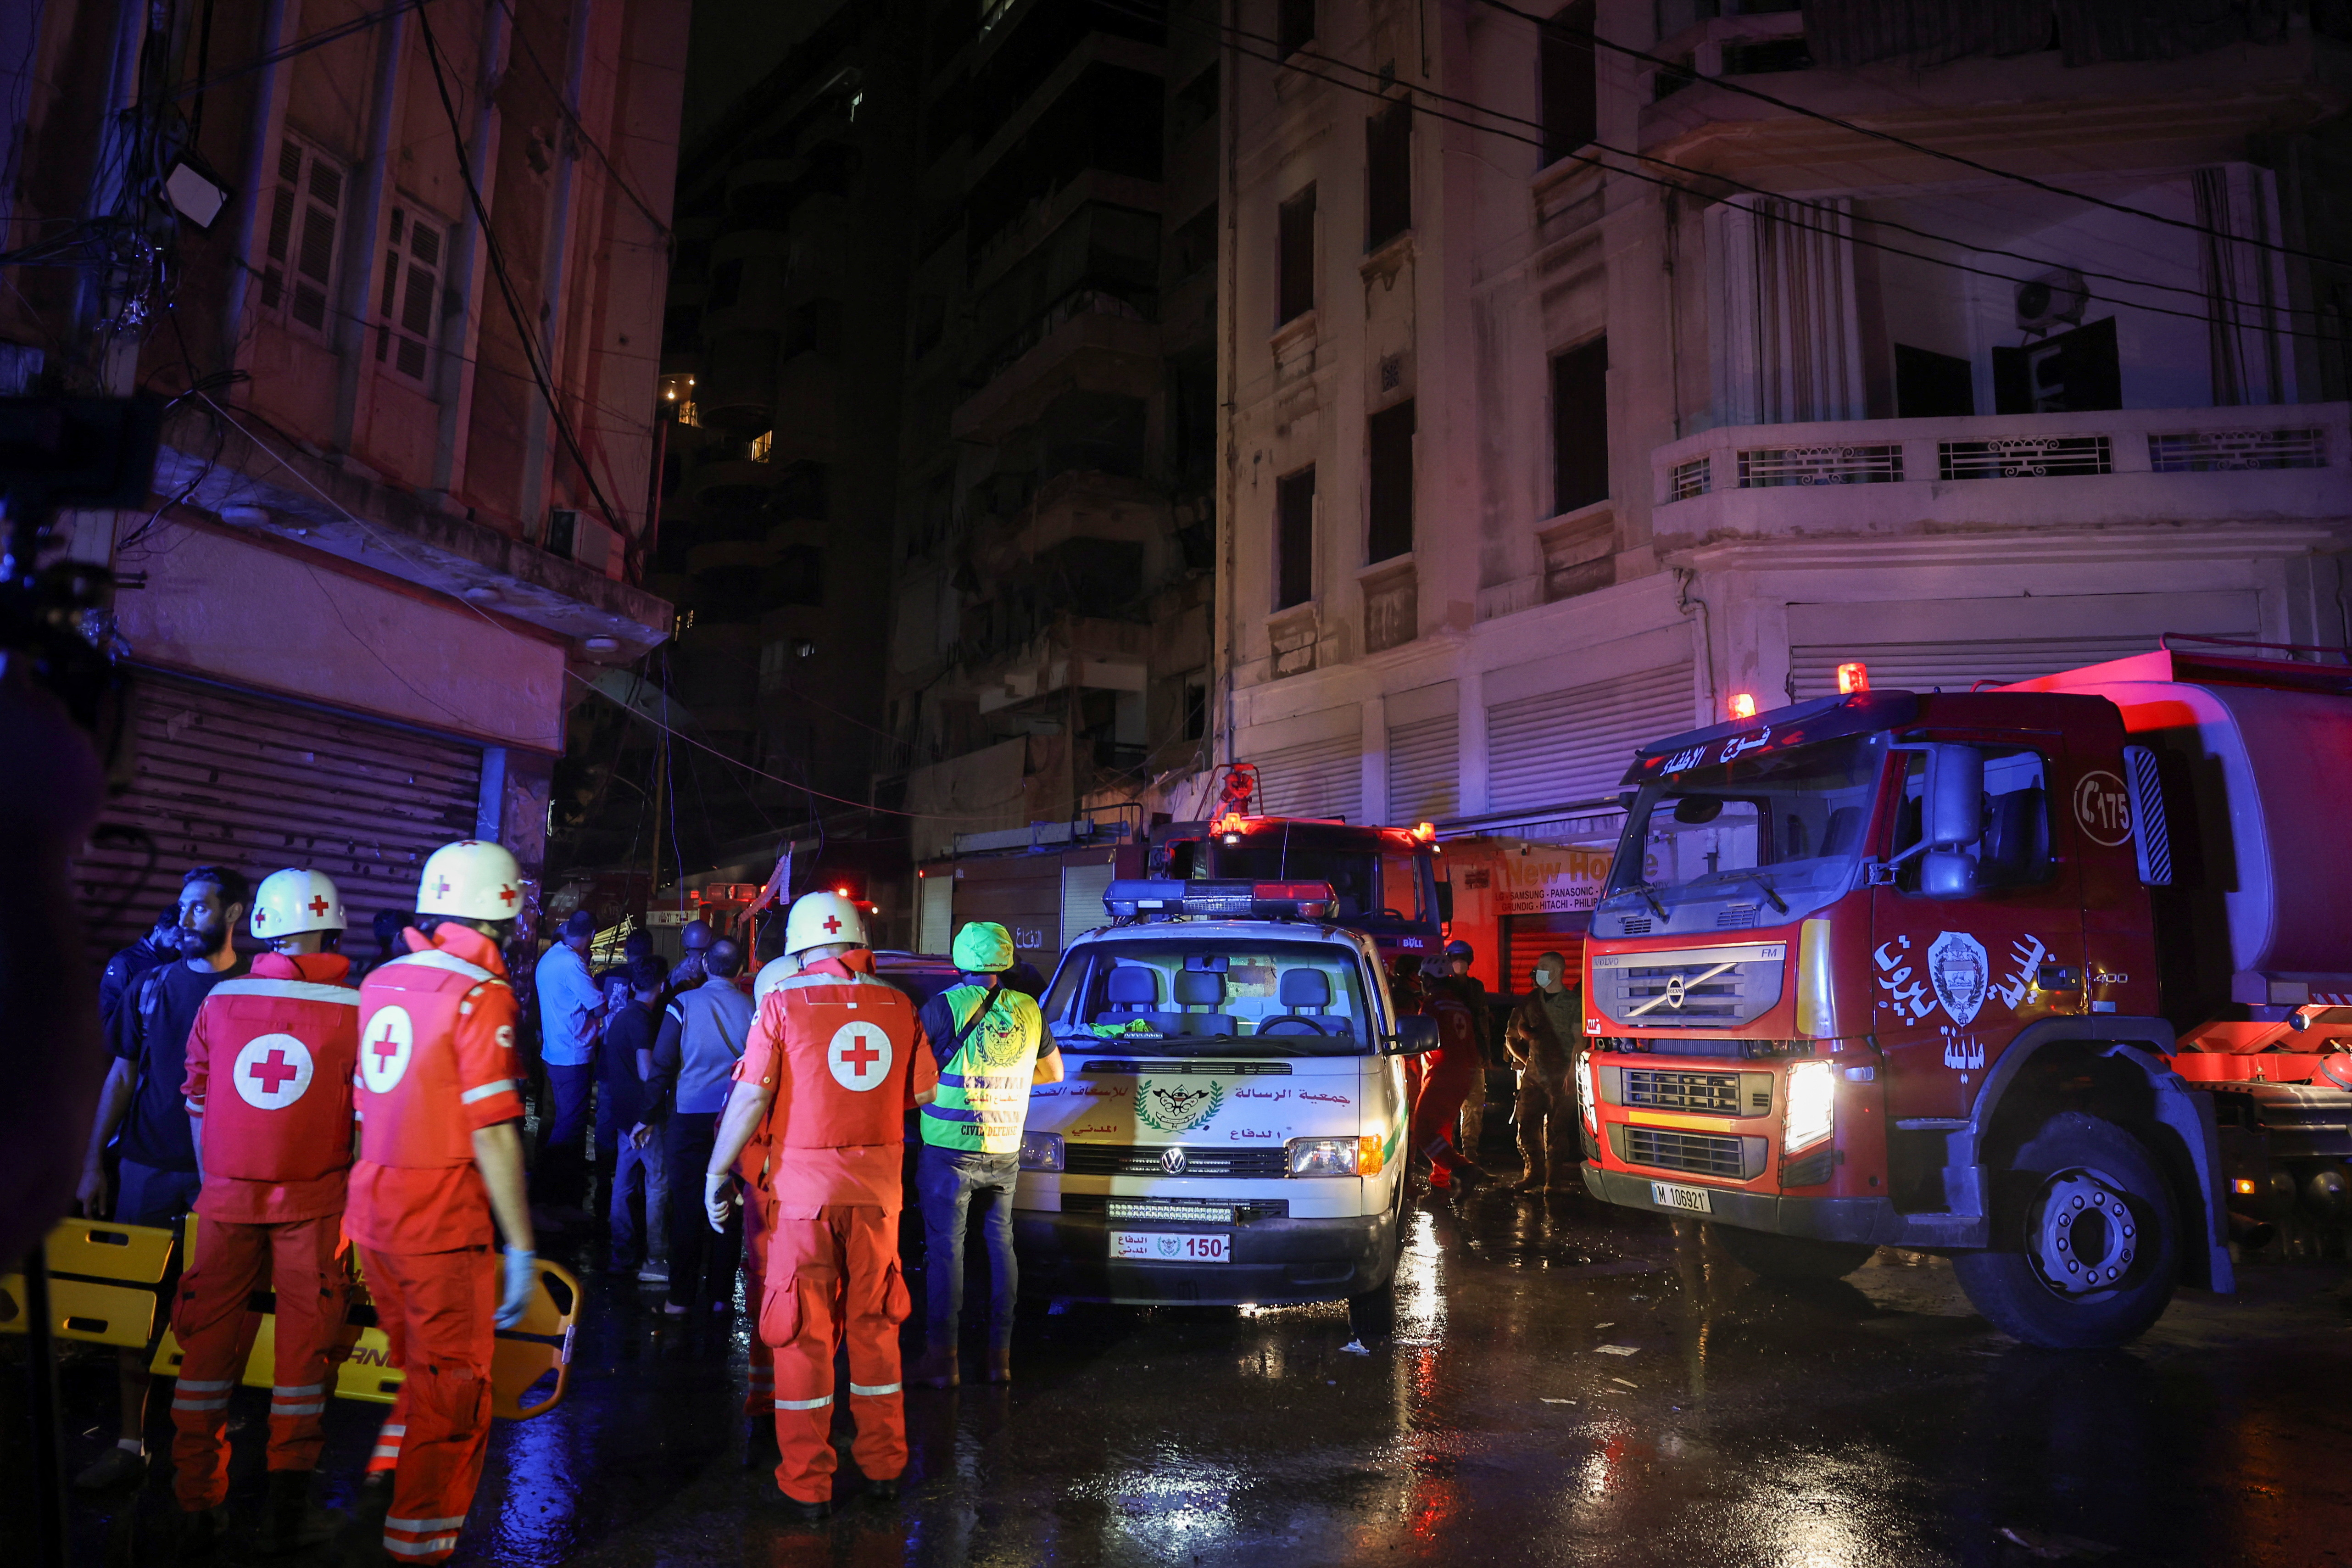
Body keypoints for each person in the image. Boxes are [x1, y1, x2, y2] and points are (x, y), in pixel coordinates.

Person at [705, 890, 937, 1521]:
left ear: (799, 950)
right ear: (857, 941)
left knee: (803, 1337)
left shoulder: (780, 1005)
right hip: (877, 1197)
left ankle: (809, 1486)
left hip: (803, 1201)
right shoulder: (898, 1004)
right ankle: (885, 1467)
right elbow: (922, 1092)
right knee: (876, 1328)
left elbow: (751, 1099)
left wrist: (716, 1168)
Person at [347, 840, 538, 1568]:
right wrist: (520, 1243)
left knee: (421, 1367)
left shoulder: (383, 978)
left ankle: (383, 1474)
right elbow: (491, 1131)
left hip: (375, 1213)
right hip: (440, 1223)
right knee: (453, 1392)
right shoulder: (480, 993)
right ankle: (415, 1546)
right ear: (504, 912)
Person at [169, 868, 359, 1553]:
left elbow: (194, 1096)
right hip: (314, 1204)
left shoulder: (221, 1000)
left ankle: (195, 1504)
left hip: (224, 1200)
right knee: (305, 1355)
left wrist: (217, 1178)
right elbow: (364, 1119)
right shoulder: (351, 1008)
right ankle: (288, 1507)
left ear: (262, 925)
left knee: (208, 1348)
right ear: (330, 924)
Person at [72, 865, 251, 1491]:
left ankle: (202, 1448)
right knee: (134, 1311)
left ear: (233, 915)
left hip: (224, 1177)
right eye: (181, 905)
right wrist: (96, 1159)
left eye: (199, 906)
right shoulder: (149, 986)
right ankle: (130, 1442)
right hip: (146, 1166)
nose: (184, 916)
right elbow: (121, 1076)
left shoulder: (255, 991)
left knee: (216, 1314)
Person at [912, 922, 1061, 1389]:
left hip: (947, 1151)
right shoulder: (1029, 1009)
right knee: (1001, 1247)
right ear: (1005, 961)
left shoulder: (943, 1007)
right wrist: (1008, 1081)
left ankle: (944, 1363)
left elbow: (912, 1075)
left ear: (959, 961)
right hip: (1003, 1150)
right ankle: (1000, 1361)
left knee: (945, 1253)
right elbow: (1053, 1072)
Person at [648, 936, 754, 1316]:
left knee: (689, 1206)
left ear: (706, 964)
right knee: (728, 1204)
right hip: (735, 1122)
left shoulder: (683, 1004)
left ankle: (679, 1298)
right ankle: (722, 1297)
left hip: (689, 1119)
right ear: (741, 971)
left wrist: (646, 1114)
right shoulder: (753, 1008)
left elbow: (662, 1063)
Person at [602, 952, 669, 1283]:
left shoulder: (622, 1016)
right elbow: (646, 1072)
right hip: (643, 1118)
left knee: (624, 1183)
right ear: (663, 984)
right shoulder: (642, 1020)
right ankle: (656, 1257)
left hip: (623, 1114)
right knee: (657, 1182)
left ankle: (621, 1254)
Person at [532, 908, 603, 1215]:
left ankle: (556, 1193)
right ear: (589, 937)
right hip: (573, 1055)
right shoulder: (573, 963)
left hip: (553, 1052)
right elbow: (599, 1006)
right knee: (570, 1126)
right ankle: (547, 1196)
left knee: (556, 1120)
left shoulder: (550, 957)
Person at [1404, 957, 1488, 1190]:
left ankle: (1465, 1170)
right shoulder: (1460, 1005)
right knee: (1441, 1131)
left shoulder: (1433, 1004)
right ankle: (1440, 1184)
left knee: (1423, 1131)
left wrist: (1404, 1056)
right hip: (1462, 1076)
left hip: (1441, 1075)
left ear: (1429, 979)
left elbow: (1420, 1040)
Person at [1505, 951, 1584, 1193]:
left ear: (1558, 971)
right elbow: (1517, 1029)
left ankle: (1553, 1179)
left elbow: (1579, 1041)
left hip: (1561, 1075)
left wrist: (1572, 1072)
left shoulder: (1572, 1003)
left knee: (1557, 1130)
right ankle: (1533, 1173)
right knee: (1526, 1124)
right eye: (1538, 966)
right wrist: (1525, 1041)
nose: (1538, 970)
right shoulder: (1531, 1000)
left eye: (1544, 966)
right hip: (1534, 1076)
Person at [1439, 939, 1494, 1163]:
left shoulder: (1476, 988)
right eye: (1454, 959)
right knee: (1448, 1106)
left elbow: (1482, 1023)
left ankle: (1470, 1151)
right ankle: (1445, 1151)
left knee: (1473, 1106)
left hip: (1473, 1056)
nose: (1458, 963)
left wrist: (1486, 1054)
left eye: (1462, 958)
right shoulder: (1444, 988)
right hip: (1450, 1057)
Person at [99, 907, 181, 1041]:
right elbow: (109, 1015)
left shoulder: (181, 960)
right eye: (174, 941)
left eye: (183, 941)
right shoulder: (125, 962)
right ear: (157, 931)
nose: (179, 947)